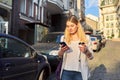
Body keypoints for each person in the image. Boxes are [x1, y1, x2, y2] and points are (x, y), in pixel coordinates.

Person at [58, 15, 94, 80]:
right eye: (68, 26)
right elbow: (59, 56)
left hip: (80, 72)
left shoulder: (86, 38)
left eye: (72, 26)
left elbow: (91, 57)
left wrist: (86, 51)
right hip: (66, 72)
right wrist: (62, 51)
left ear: (77, 25)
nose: (70, 28)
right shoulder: (64, 38)